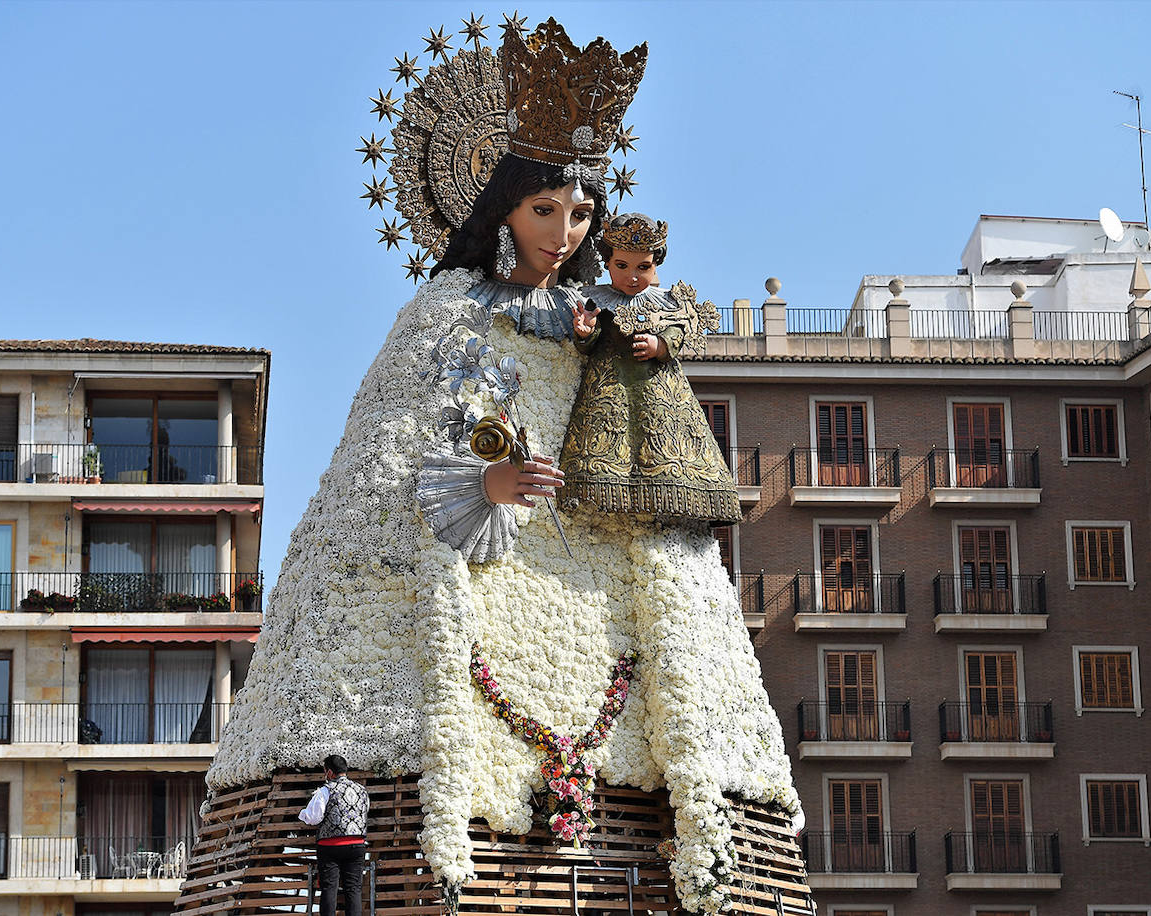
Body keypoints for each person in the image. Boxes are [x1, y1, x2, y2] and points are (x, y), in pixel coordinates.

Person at [207, 20, 800, 916]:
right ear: (502, 208)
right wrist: (484, 487)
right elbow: (394, 465)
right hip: (470, 586)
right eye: (544, 211)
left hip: (607, 590)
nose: (564, 234)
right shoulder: (446, 309)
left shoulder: (596, 319)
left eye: (582, 213)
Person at [559, 212, 742, 524]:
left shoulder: (667, 302)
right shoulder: (595, 300)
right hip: (609, 387)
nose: (632, 276)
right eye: (622, 266)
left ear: (656, 264)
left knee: (663, 447)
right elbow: (590, 343)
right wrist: (586, 332)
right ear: (607, 263)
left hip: (659, 390)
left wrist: (661, 347)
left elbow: (678, 334)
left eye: (642, 267)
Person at [298, 754, 370, 916]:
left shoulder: (325, 790)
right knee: (354, 889)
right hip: (357, 844)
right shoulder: (361, 790)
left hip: (330, 846)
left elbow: (313, 817)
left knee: (329, 887)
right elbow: (364, 812)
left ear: (329, 772)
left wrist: (302, 813)